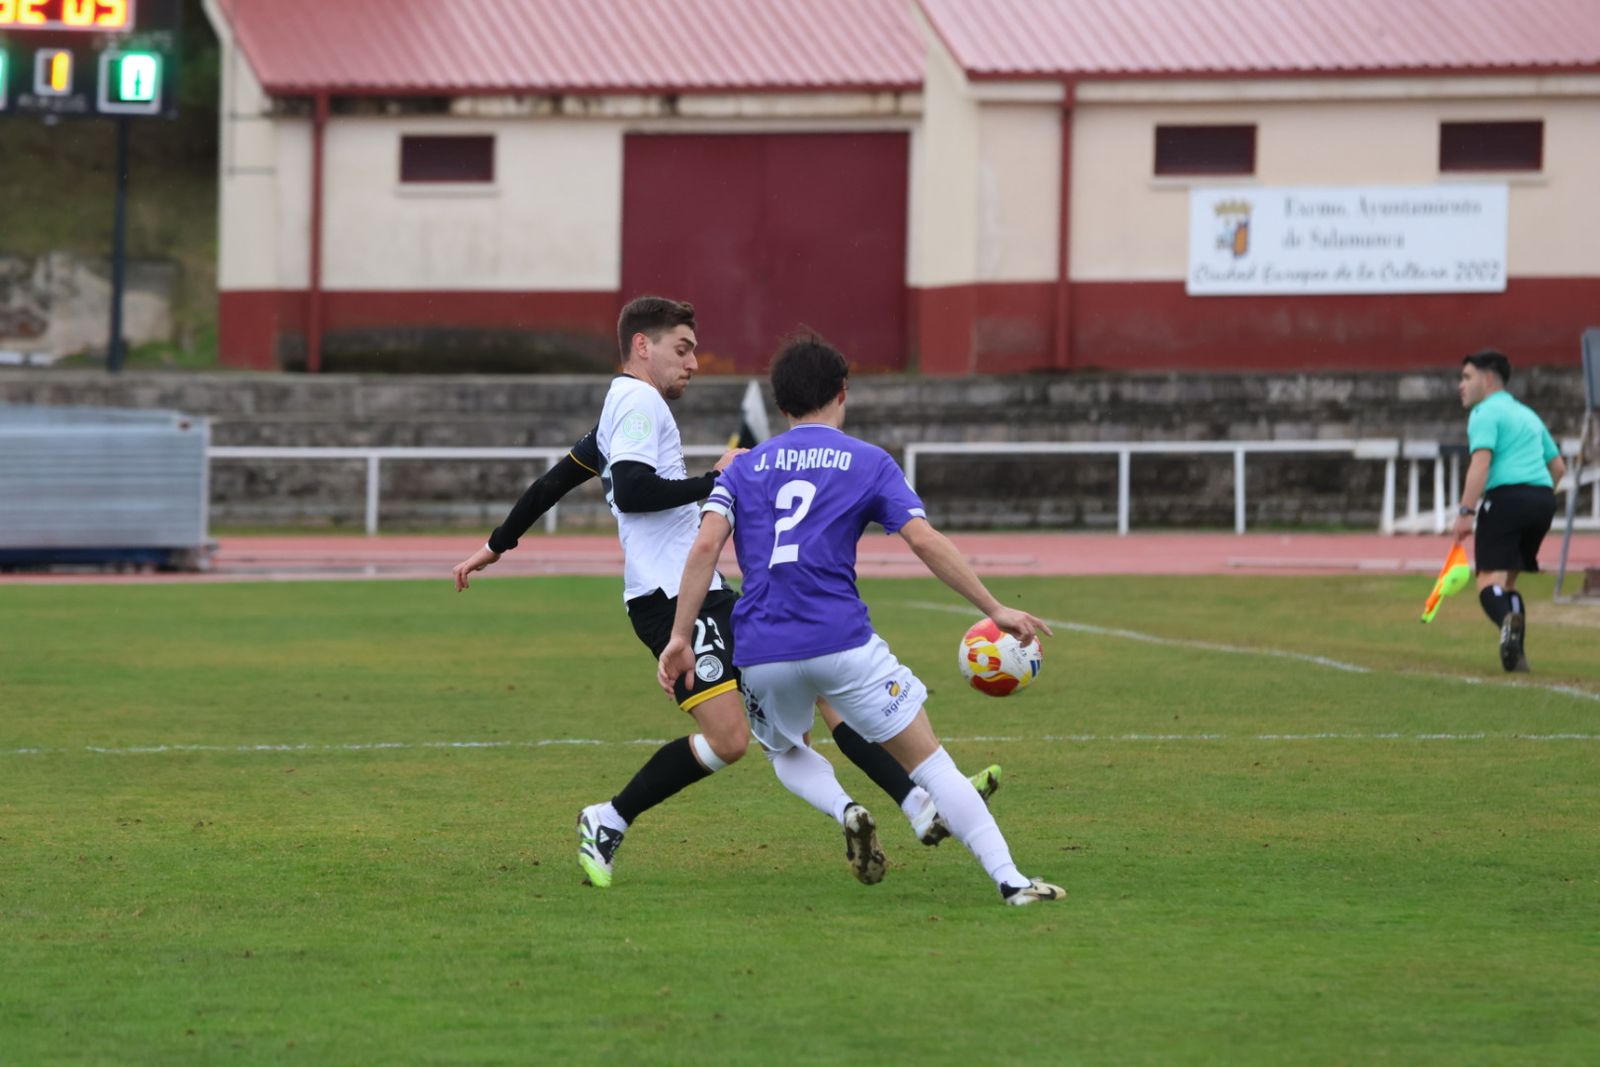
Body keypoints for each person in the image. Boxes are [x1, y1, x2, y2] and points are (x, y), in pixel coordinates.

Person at [451, 296, 995, 889]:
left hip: (703, 592)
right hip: (665, 597)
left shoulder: (627, 406)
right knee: (732, 739)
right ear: (642, 346)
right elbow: (633, 492)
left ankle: (916, 804)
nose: (693, 363)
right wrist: (718, 479)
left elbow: (555, 480)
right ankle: (608, 817)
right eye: (681, 349)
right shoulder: (636, 401)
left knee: (817, 687)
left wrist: (498, 544)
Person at [659, 334, 1065, 906]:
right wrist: (994, 608)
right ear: (843, 392)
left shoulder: (744, 467)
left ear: (781, 406)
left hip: (762, 649)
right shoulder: (868, 461)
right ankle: (1011, 881)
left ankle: (845, 807)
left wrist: (680, 637)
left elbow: (703, 552)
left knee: (786, 752)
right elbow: (923, 540)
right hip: (842, 642)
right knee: (932, 764)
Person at [1453, 349, 1566, 672]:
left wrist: (1465, 512)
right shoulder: (1528, 414)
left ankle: (1506, 620)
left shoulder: (1484, 413)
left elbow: (1482, 462)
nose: (1461, 386)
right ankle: (1516, 654)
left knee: (1488, 581)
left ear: (1488, 379)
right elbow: (1558, 467)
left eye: (1466, 377)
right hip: (1543, 499)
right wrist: (1535, 501)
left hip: (1506, 498)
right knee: (1509, 584)